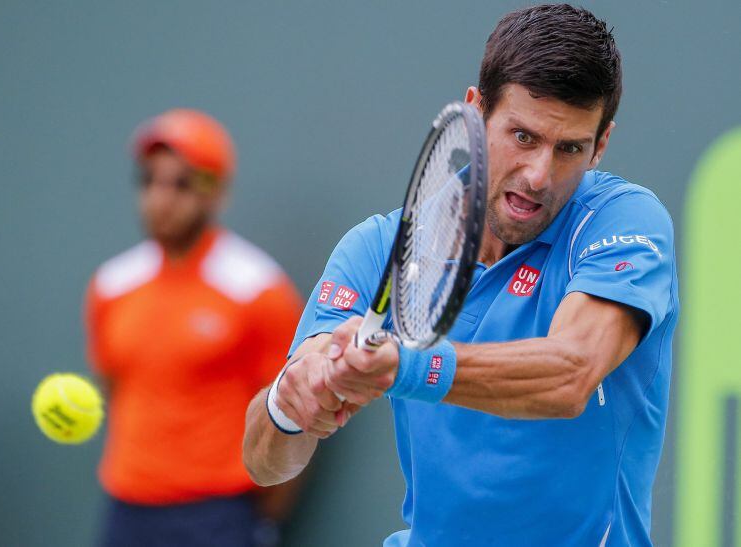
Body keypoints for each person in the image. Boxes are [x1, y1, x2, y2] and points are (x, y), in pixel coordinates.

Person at [243, 5, 679, 546]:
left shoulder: (622, 221)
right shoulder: (379, 247)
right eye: (523, 136)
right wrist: (293, 399)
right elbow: (265, 462)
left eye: (569, 148)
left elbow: (571, 374)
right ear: (475, 115)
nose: (540, 175)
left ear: (601, 144)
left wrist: (403, 365)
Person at [85, 109, 303, 546]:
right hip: (126, 510)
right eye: (149, 181)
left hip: (218, 515)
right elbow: (114, 389)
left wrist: (260, 522)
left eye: (181, 183)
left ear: (215, 193)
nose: (160, 198)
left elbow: (292, 418)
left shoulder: (258, 289)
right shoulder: (110, 286)